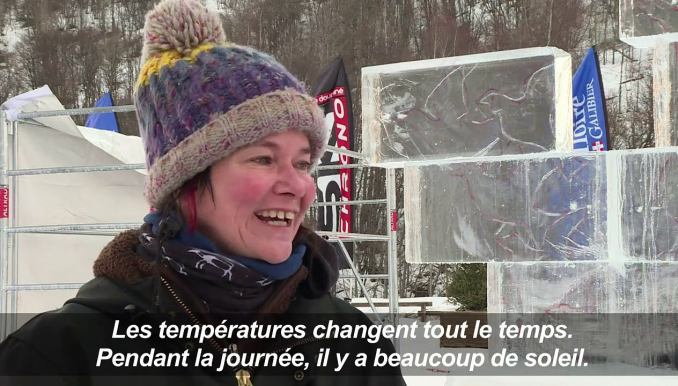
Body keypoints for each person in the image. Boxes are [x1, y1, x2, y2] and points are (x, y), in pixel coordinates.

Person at [0, 0, 406, 385]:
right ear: (184, 183)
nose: (297, 186)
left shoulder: (354, 345)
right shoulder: (57, 356)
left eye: (302, 163)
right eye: (263, 159)